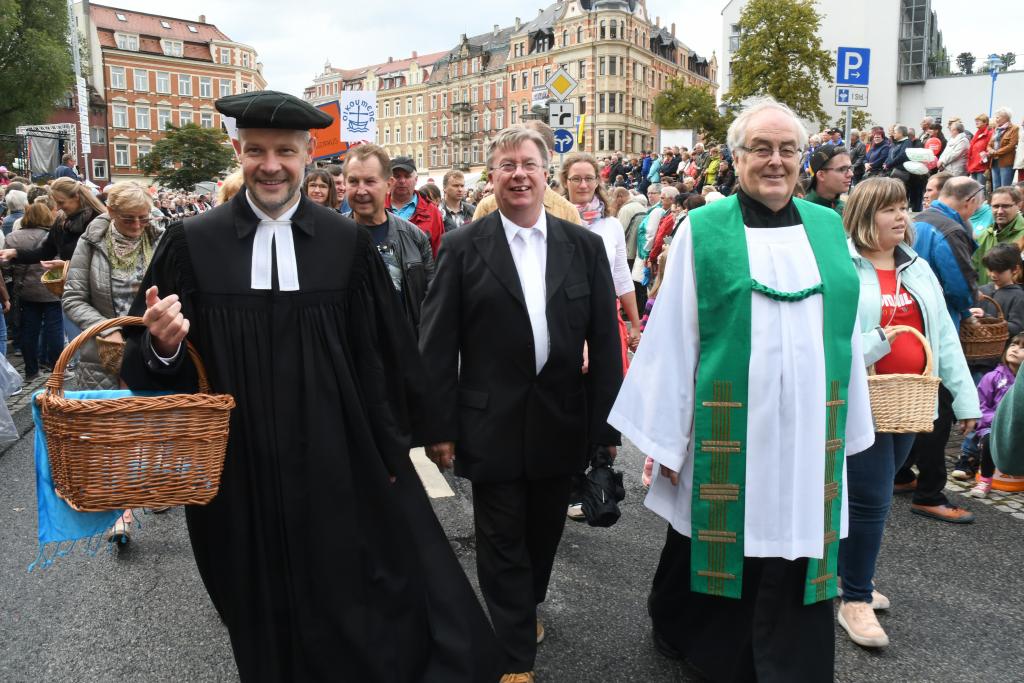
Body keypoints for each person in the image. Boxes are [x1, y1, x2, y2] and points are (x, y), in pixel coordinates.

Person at [119, 91, 500, 682]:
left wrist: (403, 442)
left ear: (306, 157)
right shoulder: (192, 245)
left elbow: (385, 354)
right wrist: (163, 346)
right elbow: (145, 368)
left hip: (334, 459)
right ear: (238, 152)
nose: (270, 165)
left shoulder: (346, 247)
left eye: (284, 152)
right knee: (252, 607)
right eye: (255, 151)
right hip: (235, 469)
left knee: (350, 595)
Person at [608, 98, 875, 682]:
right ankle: (716, 648)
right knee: (721, 531)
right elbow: (676, 336)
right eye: (761, 148)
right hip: (730, 426)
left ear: (803, 159)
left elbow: (846, 333)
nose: (775, 161)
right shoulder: (703, 230)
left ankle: (791, 661)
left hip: (810, 430)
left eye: (787, 149)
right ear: (735, 158)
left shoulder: (829, 229)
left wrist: (853, 423)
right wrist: (670, 441)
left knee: (798, 535)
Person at [418, 126, 622, 683]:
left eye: (528, 163)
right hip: (490, 422)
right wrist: (438, 425)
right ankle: (513, 660)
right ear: (494, 176)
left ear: (545, 172)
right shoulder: (463, 247)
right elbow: (436, 345)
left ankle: (523, 605)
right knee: (501, 537)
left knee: (543, 534)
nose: (518, 174)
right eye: (506, 165)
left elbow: (606, 343)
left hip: (562, 420)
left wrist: (606, 428)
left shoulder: (583, 246)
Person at [839, 177, 978, 648]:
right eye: (889, 210)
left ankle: (844, 573)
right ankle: (855, 598)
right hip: (861, 400)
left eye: (904, 207)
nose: (902, 217)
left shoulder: (917, 267)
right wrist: (880, 340)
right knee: (872, 499)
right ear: (863, 216)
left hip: (910, 400)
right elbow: (827, 340)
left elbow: (942, 335)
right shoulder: (841, 265)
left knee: (873, 491)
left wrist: (965, 399)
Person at [63, 181, 165, 543]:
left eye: (143, 218)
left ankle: (151, 486)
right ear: (109, 213)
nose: (138, 225)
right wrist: (104, 328)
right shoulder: (90, 243)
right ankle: (122, 513)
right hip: (105, 353)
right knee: (115, 433)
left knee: (150, 426)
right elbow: (73, 298)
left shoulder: (162, 236)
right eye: (128, 220)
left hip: (151, 349)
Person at [895, 177, 985, 522]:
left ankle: (902, 473)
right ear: (972, 200)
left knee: (915, 404)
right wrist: (967, 310)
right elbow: (961, 285)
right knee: (938, 411)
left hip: (907, 331)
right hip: (935, 329)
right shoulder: (949, 229)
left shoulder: (918, 220)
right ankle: (929, 492)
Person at [344, 144, 434, 335]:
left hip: (403, 350)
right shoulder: (331, 235)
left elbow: (430, 299)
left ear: (388, 184)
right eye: (353, 181)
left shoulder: (414, 237)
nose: (361, 191)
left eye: (370, 181)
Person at [6, 202, 62, 381]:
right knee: (54, 330)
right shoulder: (52, 236)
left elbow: (6, 265)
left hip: (25, 290)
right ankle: (57, 368)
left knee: (29, 330)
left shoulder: (13, 237)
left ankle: (31, 370)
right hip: (51, 288)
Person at [970, 333, 1023, 497]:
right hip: (990, 427)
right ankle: (985, 480)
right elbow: (981, 407)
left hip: (1017, 430)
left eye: (1022, 347)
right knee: (990, 440)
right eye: (1013, 344)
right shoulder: (991, 377)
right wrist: (998, 422)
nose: (1015, 349)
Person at [385, 155, 444, 257]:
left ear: (416, 180)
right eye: (397, 176)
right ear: (389, 180)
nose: (402, 181)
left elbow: (439, 253)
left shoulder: (432, 212)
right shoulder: (376, 208)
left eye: (407, 176)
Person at [973, 186, 1024, 284]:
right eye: (996, 206)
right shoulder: (984, 235)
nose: (1000, 211)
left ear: (1019, 205)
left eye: (1005, 206)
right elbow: (973, 270)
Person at [805, 144, 852, 214]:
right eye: (842, 169)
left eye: (850, 168)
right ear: (821, 175)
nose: (851, 174)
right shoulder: (802, 211)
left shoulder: (848, 209)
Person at [987, 107, 1019, 189]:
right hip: (994, 162)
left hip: (1006, 163)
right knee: (996, 187)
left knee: (1005, 188)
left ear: (1005, 118)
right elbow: (989, 144)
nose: (996, 119)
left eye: (998, 117)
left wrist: (995, 152)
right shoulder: (996, 129)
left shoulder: (1014, 128)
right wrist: (990, 150)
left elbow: (1011, 145)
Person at [967, 114, 994, 186]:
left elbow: (990, 147)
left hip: (982, 165)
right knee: (974, 188)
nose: (976, 122)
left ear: (985, 122)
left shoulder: (990, 133)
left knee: (980, 188)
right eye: (976, 121)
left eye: (978, 121)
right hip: (973, 165)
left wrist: (984, 158)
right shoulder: (977, 133)